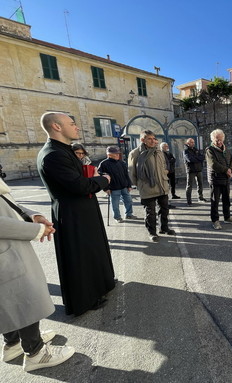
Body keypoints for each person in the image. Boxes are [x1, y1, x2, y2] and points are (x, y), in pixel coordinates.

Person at [37, 112, 116, 316]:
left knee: (93, 250)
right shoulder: (53, 154)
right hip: (73, 214)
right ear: (56, 126)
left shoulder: (65, 151)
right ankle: (86, 299)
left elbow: (82, 175)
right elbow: (79, 186)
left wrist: (94, 177)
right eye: (72, 124)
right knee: (81, 256)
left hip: (84, 209)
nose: (77, 127)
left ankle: (101, 285)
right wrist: (104, 180)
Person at [0, 177, 75, 372]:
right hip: (6, 249)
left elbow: (8, 202)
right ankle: (36, 353)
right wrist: (37, 229)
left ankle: (13, 342)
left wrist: (32, 216)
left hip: (8, 247)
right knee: (23, 295)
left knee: (9, 297)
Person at [128, 130, 175, 242]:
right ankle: (152, 233)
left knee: (164, 209)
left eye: (154, 138)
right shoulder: (135, 153)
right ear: (142, 140)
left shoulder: (158, 151)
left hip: (162, 185)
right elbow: (132, 173)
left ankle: (164, 228)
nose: (153, 141)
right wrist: (140, 184)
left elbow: (163, 165)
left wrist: (164, 173)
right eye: (149, 138)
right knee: (150, 212)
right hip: (147, 187)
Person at [206, 129, 232, 230]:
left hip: (225, 179)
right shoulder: (209, 150)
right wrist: (226, 170)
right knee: (215, 201)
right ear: (212, 140)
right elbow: (213, 164)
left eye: (220, 139)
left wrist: (231, 169)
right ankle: (215, 220)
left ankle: (227, 217)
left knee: (226, 200)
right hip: (215, 179)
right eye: (216, 140)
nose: (219, 142)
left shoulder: (226, 149)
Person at [98, 146, 136, 223]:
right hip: (113, 188)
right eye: (116, 154)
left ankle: (129, 214)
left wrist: (129, 185)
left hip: (124, 186)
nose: (118, 155)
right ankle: (117, 217)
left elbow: (126, 175)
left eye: (118, 153)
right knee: (115, 204)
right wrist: (106, 188)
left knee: (128, 201)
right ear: (109, 155)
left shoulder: (121, 163)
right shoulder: (104, 164)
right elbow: (101, 177)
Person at [183, 138, 207, 206]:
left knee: (200, 184)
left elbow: (202, 157)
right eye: (191, 142)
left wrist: (197, 158)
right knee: (189, 186)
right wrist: (198, 158)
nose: (193, 143)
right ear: (187, 143)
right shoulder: (185, 151)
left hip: (198, 169)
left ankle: (200, 197)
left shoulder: (195, 149)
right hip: (191, 170)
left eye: (193, 142)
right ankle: (189, 201)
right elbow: (190, 159)